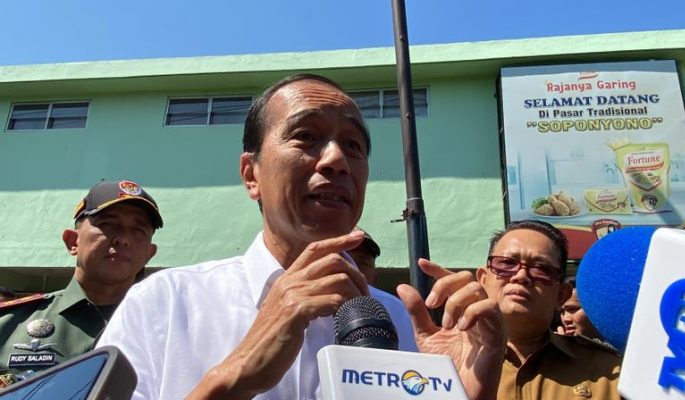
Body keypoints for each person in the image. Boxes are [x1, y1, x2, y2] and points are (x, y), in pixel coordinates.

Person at [97, 74, 505, 400]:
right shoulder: (164, 304)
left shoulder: (401, 323)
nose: (337, 159)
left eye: (353, 145)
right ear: (251, 175)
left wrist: (464, 394)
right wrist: (233, 377)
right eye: (306, 136)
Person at [422, 220, 621, 399]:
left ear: (561, 295)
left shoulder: (611, 375)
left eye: (541, 269)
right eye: (506, 263)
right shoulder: (438, 363)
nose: (521, 276)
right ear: (483, 279)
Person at [0, 180, 161, 386]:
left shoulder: (166, 327)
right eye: (108, 224)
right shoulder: (10, 323)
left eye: (138, 230)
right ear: (72, 241)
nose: (123, 239)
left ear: (149, 254)